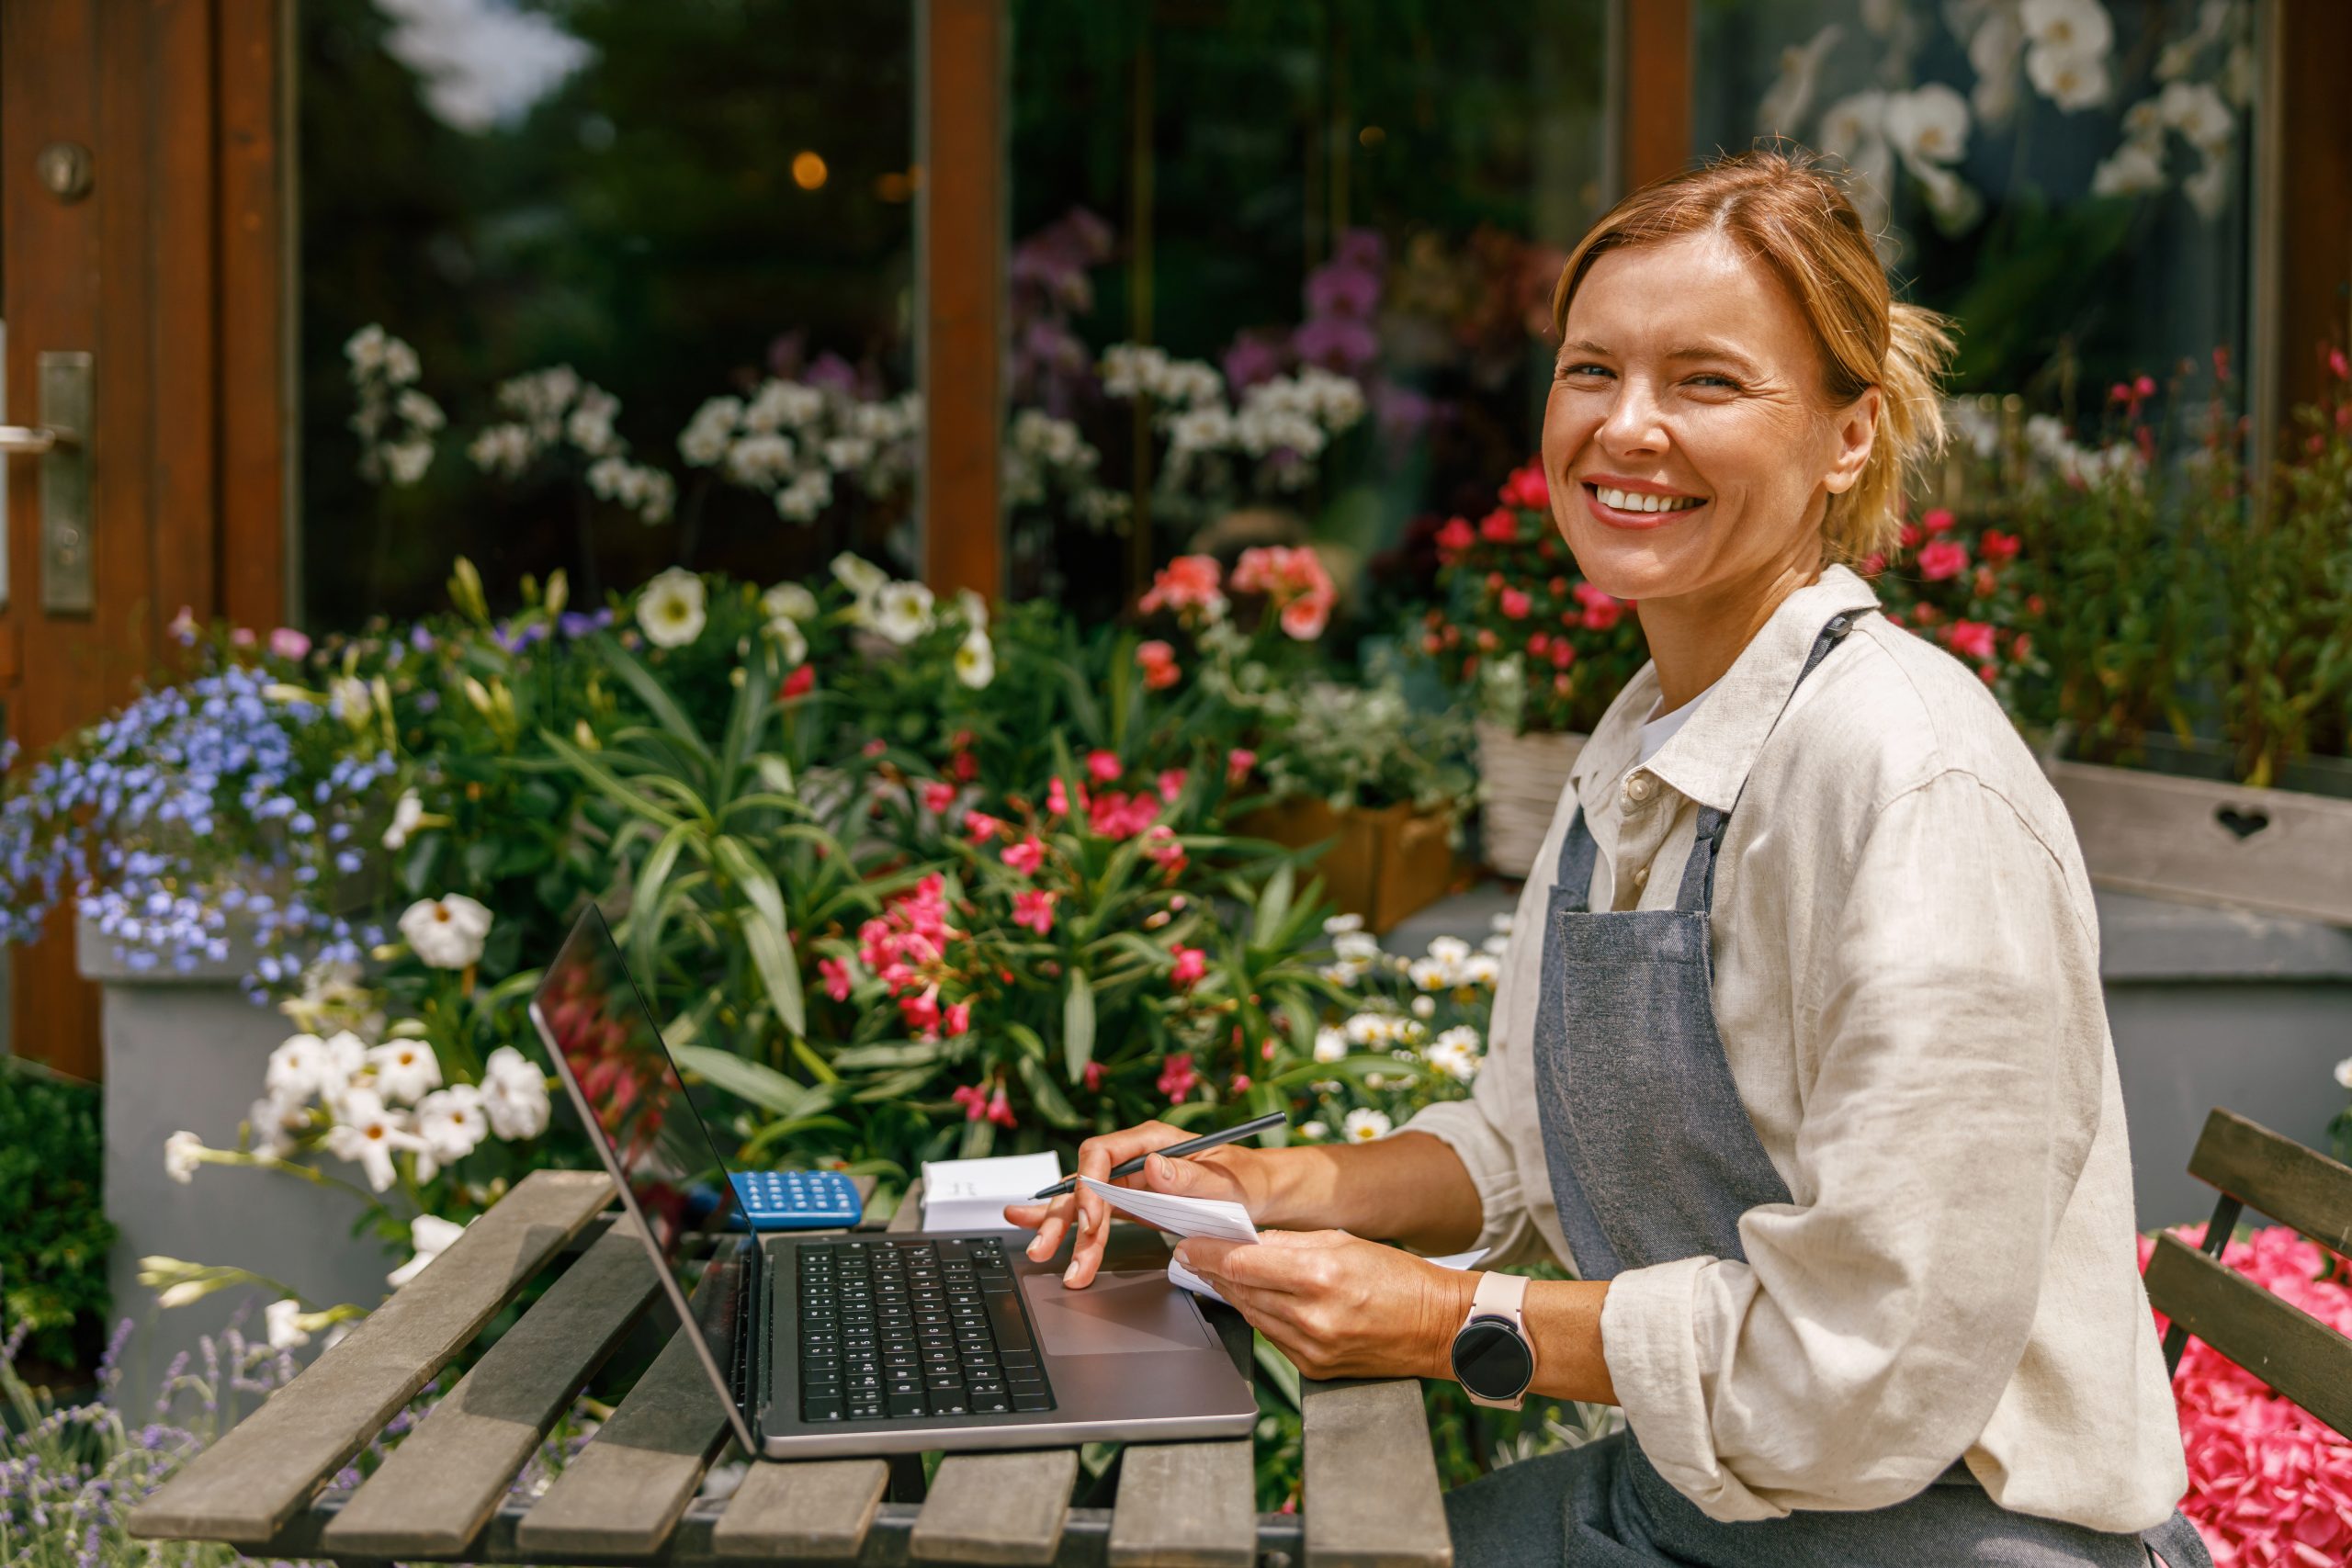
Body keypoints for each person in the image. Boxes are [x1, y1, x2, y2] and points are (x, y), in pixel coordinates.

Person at [1006, 150, 2210, 1566]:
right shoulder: (1646, 737)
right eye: (1592, 371)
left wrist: (1446, 1323)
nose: (1626, 428)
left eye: (1706, 381)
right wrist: (1268, 1189)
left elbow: (1864, 1361)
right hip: (1696, 1512)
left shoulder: (1910, 780)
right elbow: (1525, 1138)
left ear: (1846, 436)